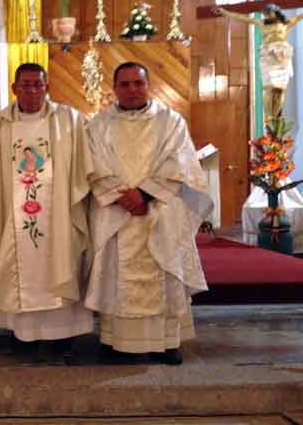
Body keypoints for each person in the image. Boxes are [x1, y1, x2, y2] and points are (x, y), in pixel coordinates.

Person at [84, 62, 213, 365]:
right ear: (114, 88)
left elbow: (179, 162)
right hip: (115, 211)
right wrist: (123, 196)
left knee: (164, 272)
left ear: (148, 85)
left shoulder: (170, 121)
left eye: (138, 83)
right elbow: (93, 164)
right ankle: (115, 342)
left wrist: (144, 194)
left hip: (160, 209)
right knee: (114, 276)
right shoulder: (98, 125)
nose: (132, 90)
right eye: (125, 84)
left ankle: (166, 343)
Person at [0, 63, 94, 359]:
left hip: (59, 211)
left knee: (61, 259)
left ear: (47, 87)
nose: (32, 90)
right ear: (14, 88)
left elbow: (83, 165)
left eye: (38, 84)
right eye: (25, 84)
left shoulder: (69, 119)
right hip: (12, 211)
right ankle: (25, 334)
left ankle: (62, 334)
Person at [215, 0, 303, 119]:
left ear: (275, 12)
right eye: (265, 14)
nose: (266, 15)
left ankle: (275, 115)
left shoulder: (286, 24)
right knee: (268, 89)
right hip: (268, 58)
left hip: (281, 57)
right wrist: (225, 12)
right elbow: (242, 18)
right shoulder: (261, 23)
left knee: (279, 90)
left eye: (268, 13)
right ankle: (269, 116)